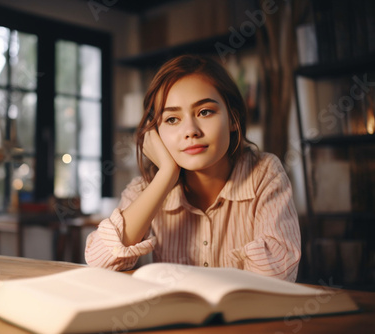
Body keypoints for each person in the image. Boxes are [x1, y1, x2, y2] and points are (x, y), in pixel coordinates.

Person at [85, 54, 301, 282]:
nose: (191, 130)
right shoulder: (146, 188)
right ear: (155, 133)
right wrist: (166, 175)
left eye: (205, 112)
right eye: (171, 119)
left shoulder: (264, 172)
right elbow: (100, 263)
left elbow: (278, 276)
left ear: (233, 119)